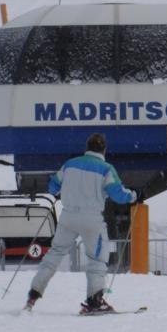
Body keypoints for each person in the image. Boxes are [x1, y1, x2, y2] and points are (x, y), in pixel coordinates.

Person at [24, 133, 137, 314]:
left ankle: (33, 294)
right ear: (104, 149)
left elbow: (53, 187)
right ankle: (95, 300)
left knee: (55, 253)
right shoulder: (106, 169)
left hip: (68, 216)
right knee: (97, 259)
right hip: (91, 219)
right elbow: (118, 194)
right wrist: (134, 195)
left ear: (86, 147)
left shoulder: (70, 164)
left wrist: (63, 191)